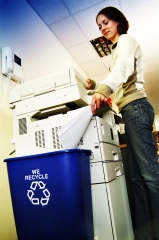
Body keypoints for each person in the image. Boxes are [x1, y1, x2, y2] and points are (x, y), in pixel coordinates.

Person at [85, 6, 159, 240]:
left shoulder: (126, 40)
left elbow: (124, 69)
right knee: (137, 179)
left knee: (151, 176)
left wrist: (104, 88)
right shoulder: (116, 50)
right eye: (99, 26)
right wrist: (95, 85)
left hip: (136, 108)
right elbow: (118, 80)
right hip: (129, 111)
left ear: (117, 21)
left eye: (105, 22)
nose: (103, 28)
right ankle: (146, 233)